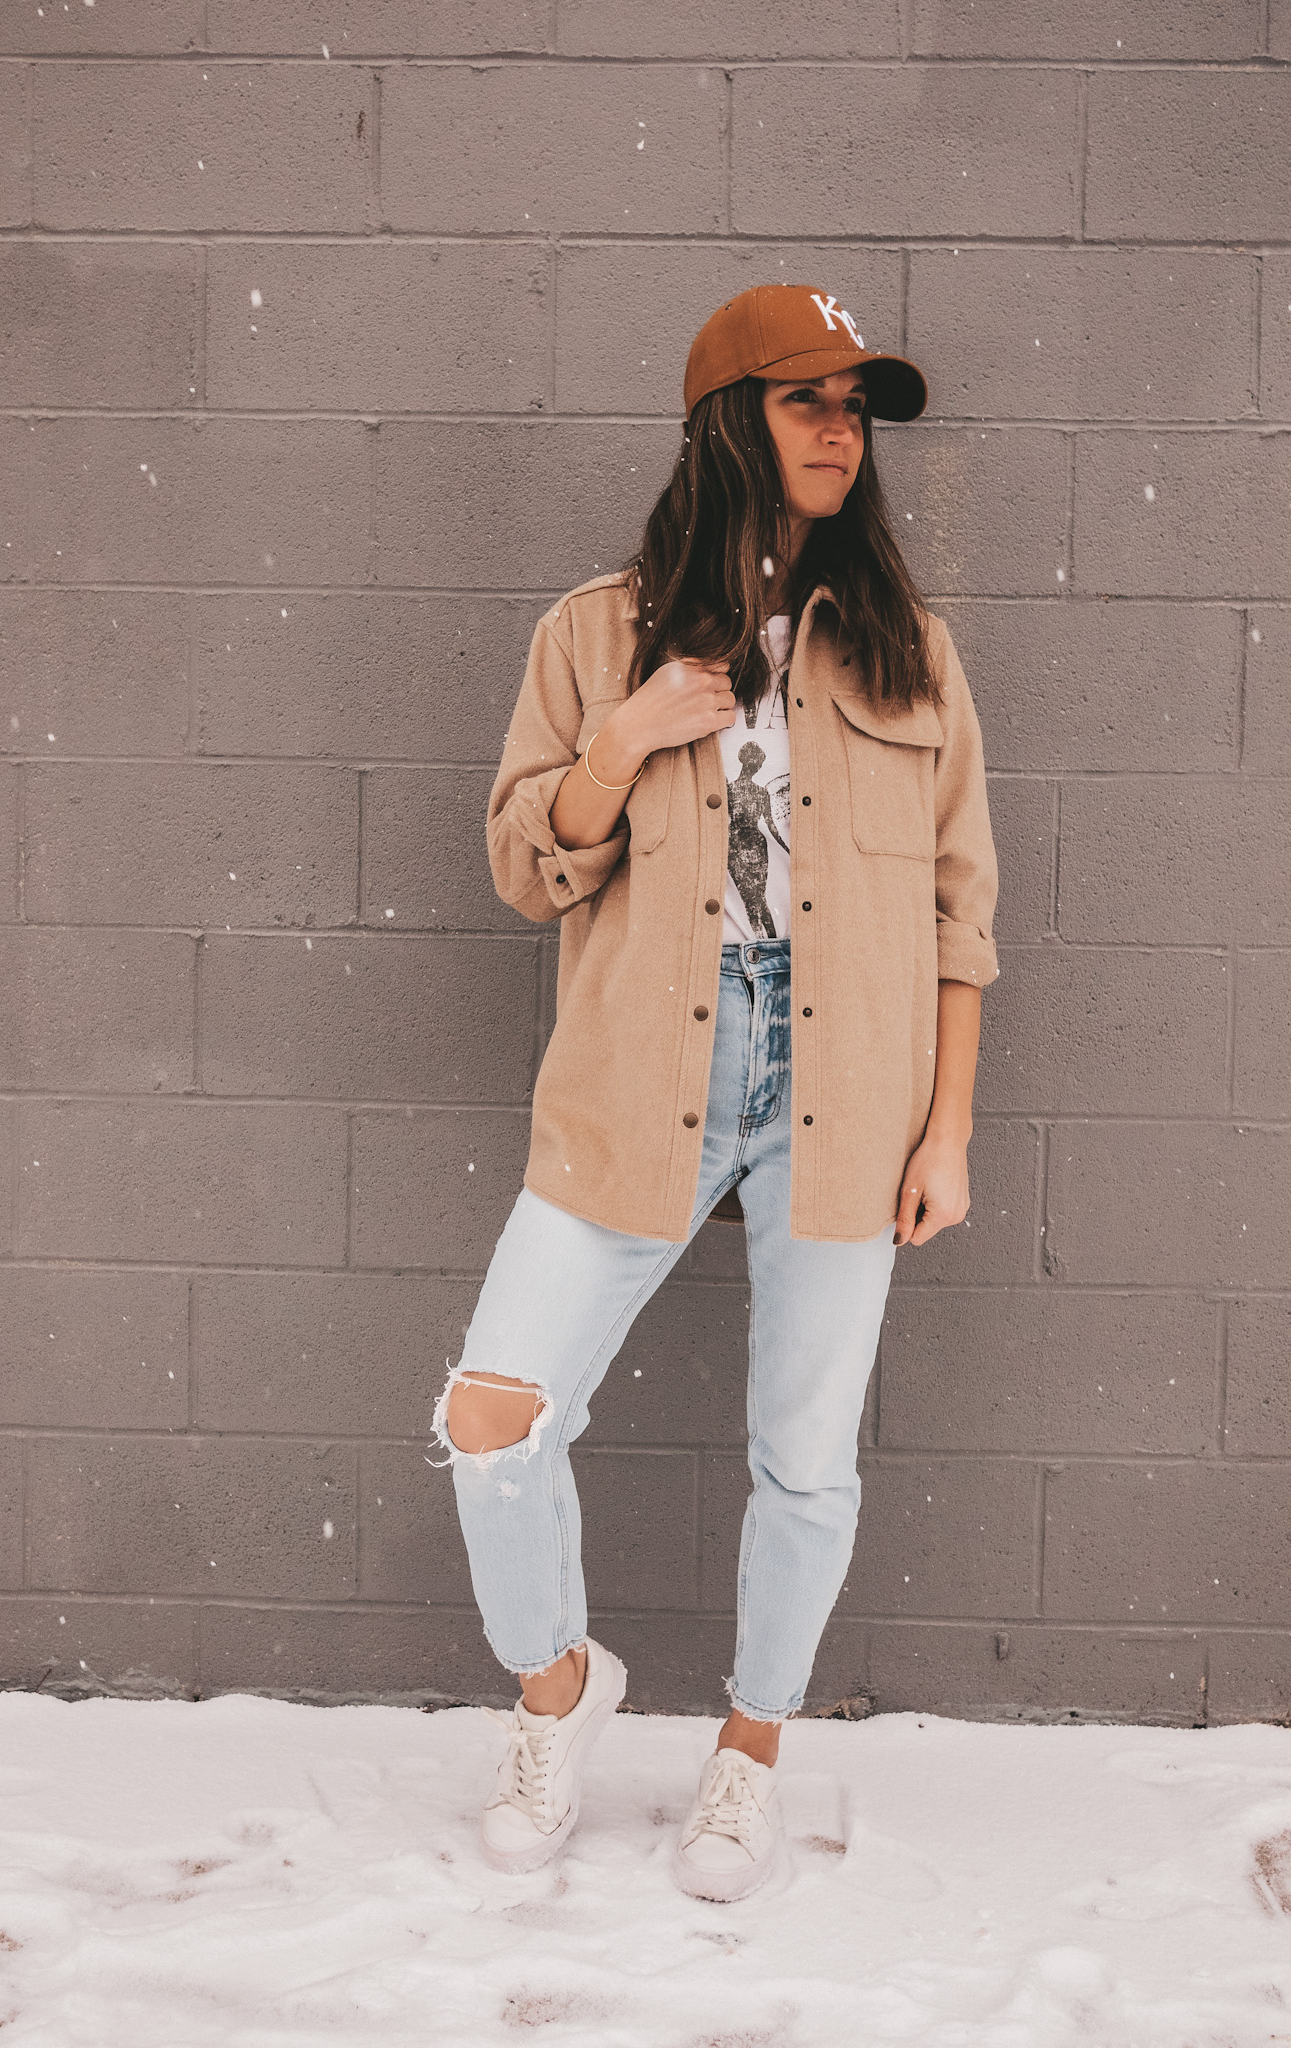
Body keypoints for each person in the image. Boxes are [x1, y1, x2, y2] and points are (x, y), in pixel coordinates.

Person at [427, 284, 1000, 1901]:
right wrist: (625, 739)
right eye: (808, 397)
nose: (841, 428)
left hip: (853, 1076)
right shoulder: (594, 633)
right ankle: (559, 1687)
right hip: (641, 1070)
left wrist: (945, 1129)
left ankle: (748, 1753)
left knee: (806, 1462)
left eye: (857, 405)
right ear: (727, 423)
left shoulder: (912, 653)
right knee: (495, 1422)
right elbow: (524, 867)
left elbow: (966, 911)